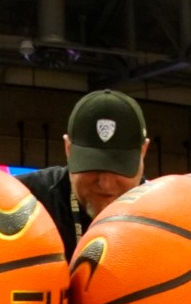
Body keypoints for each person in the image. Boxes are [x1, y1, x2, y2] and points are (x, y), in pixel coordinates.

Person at [14, 90, 150, 256]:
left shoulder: (166, 215)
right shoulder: (21, 199)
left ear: (143, 152)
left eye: (120, 167)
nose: (105, 183)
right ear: (68, 149)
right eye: (93, 166)